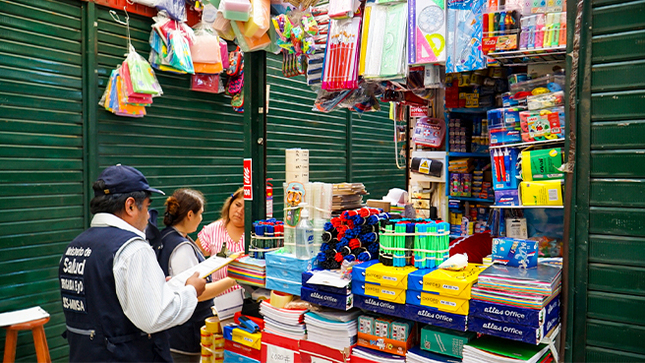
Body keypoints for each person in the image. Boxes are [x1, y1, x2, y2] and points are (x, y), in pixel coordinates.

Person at [59, 164, 206, 362]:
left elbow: (106, 303)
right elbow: (154, 317)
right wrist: (190, 292)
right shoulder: (132, 248)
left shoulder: (74, 247)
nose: (148, 215)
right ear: (130, 206)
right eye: (146, 206)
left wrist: (162, 288)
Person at [157, 189, 238, 362]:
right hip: (183, 335)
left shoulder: (166, 236)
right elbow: (197, 293)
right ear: (190, 214)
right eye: (200, 214)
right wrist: (234, 278)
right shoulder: (181, 248)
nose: (201, 219)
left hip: (172, 331)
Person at [196, 187, 245, 296]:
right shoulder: (211, 230)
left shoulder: (257, 233)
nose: (239, 211)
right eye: (237, 205)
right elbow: (194, 260)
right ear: (230, 204)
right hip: (218, 303)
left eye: (245, 208)